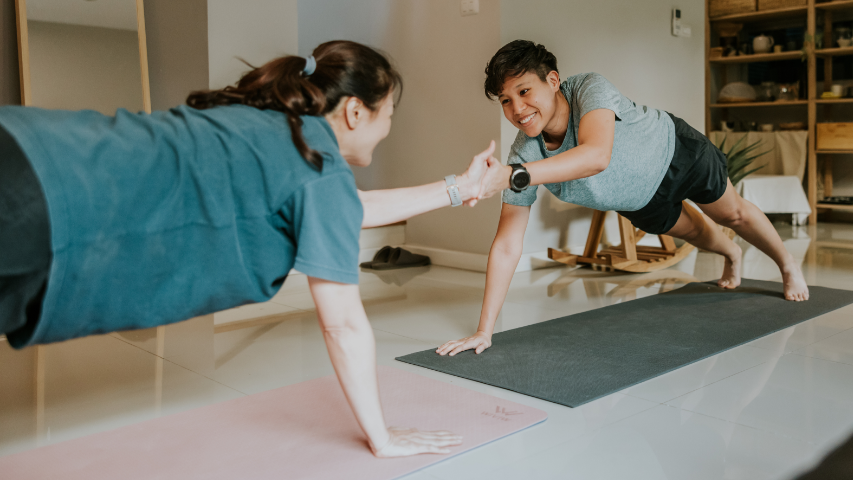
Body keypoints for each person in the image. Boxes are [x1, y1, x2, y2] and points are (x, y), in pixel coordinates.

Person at [0, 40, 499, 457]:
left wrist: (458, 186)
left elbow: (348, 206)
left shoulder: (272, 124)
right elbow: (342, 323)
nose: (389, 126)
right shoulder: (316, 166)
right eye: (388, 114)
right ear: (354, 111)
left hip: (30, 147)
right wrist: (383, 437)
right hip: (43, 213)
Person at [437, 40, 810, 358]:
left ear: (552, 81)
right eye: (505, 100)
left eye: (524, 91)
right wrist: (485, 331)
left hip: (675, 151)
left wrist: (515, 175)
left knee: (735, 215)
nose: (517, 109)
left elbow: (596, 155)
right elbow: (506, 245)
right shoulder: (525, 153)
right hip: (640, 199)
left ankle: (786, 263)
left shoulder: (587, 89)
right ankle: (732, 254)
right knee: (695, 232)